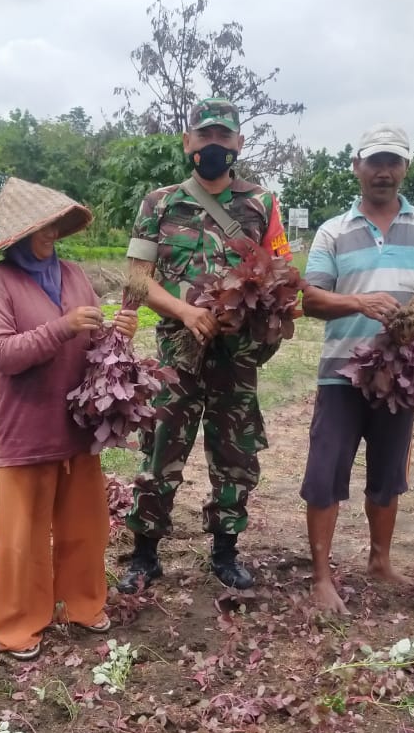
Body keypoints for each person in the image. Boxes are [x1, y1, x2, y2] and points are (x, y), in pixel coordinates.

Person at [116, 97, 293, 594]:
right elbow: (137, 278)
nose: (213, 146)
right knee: (158, 454)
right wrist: (186, 311)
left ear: (238, 144)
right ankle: (145, 555)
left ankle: (225, 552)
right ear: (188, 142)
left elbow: (280, 273)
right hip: (175, 357)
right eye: (204, 137)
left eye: (223, 138)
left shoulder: (261, 203)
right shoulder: (160, 202)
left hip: (236, 358)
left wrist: (254, 315)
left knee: (235, 455)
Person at [0, 177, 139, 660]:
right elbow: (1, 354)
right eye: (42, 228)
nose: (51, 235)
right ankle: (19, 623)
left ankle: (82, 604)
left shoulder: (73, 275)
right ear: (17, 235)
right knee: (21, 536)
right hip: (25, 428)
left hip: (76, 424)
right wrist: (62, 327)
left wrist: (117, 331)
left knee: (85, 524)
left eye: (55, 227)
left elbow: (93, 340)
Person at [299, 124, 414, 613]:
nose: (384, 172)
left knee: (388, 471)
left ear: (405, 168)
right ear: (357, 167)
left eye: (393, 162)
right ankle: (321, 577)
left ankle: (380, 561)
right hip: (341, 373)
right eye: (375, 162)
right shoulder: (333, 230)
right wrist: (357, 302)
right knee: (326, 471)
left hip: (400, 372)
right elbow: (309, 300)